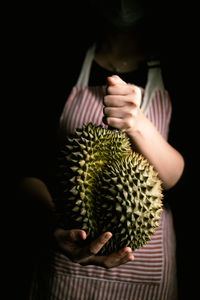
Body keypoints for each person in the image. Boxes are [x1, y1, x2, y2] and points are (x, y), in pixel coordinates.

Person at [17, 1, 185, 299]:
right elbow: (23, 167)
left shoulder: (180, 63)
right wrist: (54, 223)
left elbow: (178, 175)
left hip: (146, 276)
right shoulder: (56, 58)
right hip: (65, 262)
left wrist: (137, 124)